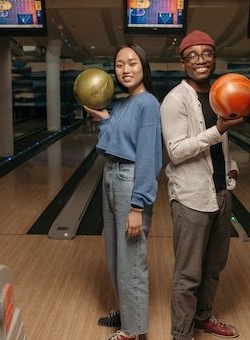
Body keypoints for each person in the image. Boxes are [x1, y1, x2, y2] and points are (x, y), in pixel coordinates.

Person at [160, 30, 243, 340]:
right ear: (184, 62)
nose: (200, 60)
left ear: (214, 57)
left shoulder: (219, 95)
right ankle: (181, 334)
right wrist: (218, 128)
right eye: (192, 55)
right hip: (190, 198)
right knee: (188, 274)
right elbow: (177, 151)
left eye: (205, 54)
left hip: (221, 193)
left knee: (214, 267)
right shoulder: (175, 100)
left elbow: (220, 146)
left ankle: (203, 317)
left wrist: (231, 169)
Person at [84, 43, 162, 340]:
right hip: (111, 175)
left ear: (143, 66)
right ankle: (126, 309)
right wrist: (105, 119)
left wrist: (138, 206)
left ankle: (132, 329)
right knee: (115, 254)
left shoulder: (148, 103)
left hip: (130, 180)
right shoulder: (121, 104)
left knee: (131, 259)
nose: (125, 69)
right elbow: (108, 146)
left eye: (132, 63)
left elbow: (148, 157)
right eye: (119, 65)